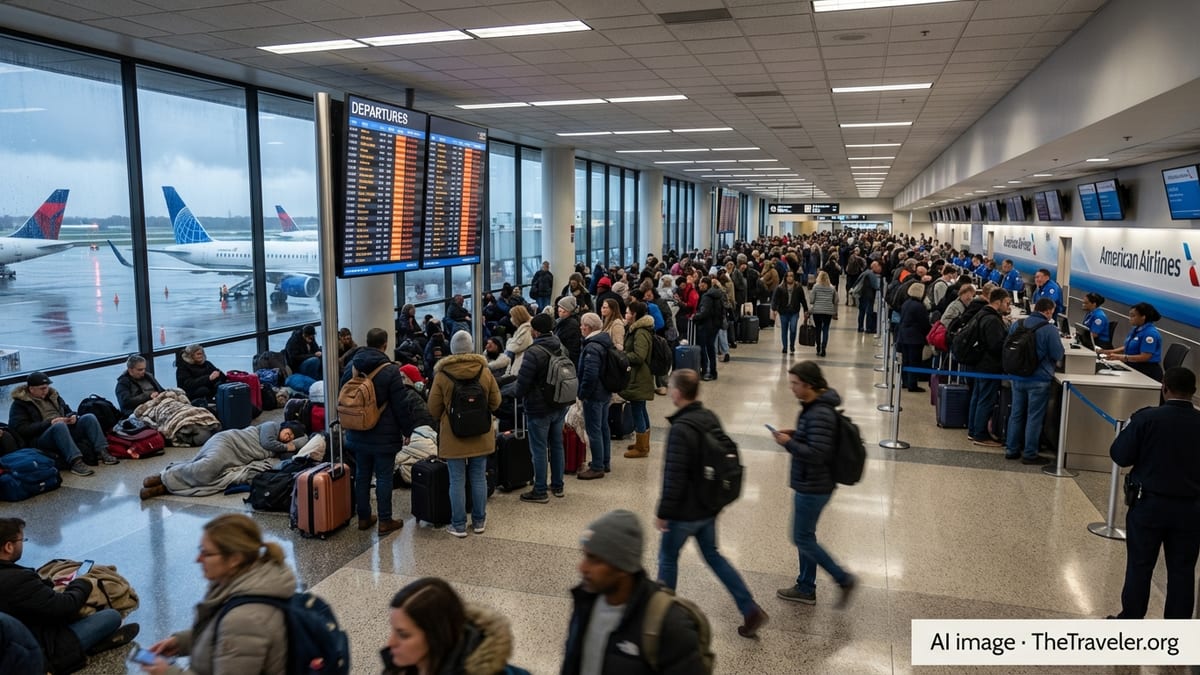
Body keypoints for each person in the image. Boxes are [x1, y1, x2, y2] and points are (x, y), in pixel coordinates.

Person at [655, 369, 768, 638]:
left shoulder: (681, 428)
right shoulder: (709, 417)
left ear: (678, 393)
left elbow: (674, 476)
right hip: (708, 506)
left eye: (672, 388)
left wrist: (663, 512)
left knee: (668, 558)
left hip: (684, 511)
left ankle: (661, 617)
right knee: (714, 556)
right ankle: (749, 607)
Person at [140, 514, 294, 674]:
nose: (197, 559)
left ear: (235, 559)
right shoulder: (246, 580)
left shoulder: (244, 619)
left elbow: (238, 633)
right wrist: (182, 642)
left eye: (206, 553)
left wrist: (167, 672)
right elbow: (226, 635)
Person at [561, 510, 707, 675]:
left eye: (595, 559)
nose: (582, 567)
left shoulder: (669, 625)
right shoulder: (586, 600)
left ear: (623, 567)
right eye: (585, 556)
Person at [1107, 367, 1200, 620]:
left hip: (1148, 504)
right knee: (1182, 571)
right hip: (1191, 509)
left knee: (1140, 565)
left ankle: (1131, 620)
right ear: (1193, 392)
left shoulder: (1147, 419)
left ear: (1164, 387)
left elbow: (1120, 455)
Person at [0, 517, 140, 674]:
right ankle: (92, 646)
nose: (23, 543)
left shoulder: (16, 577)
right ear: (8, 547)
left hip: (14, 644)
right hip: (42, 653)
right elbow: (65, 606)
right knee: (111, 617)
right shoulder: (18, 580)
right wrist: (82, 583)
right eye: (22, 540)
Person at [771, 361, 856, 606]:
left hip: (813, 485)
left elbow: (818, 453)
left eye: (795, 384)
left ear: (808, 385)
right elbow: (817, 441)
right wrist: (796, 434)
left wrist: (788, 443)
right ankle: (806, 586)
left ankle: (843, 578)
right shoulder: (815, 406)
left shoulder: (819, 412)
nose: (792, 388)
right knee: (805, 535)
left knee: (801, 537)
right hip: (812, 482)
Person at [342, 327, 435, 534]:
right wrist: (408, 430)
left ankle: (364, 517)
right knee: (383, 476)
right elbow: (400, 404)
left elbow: (344, 393)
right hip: (383, 433)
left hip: (357, 430)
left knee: (362, 474)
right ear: (385, 344)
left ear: (366, 341)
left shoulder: (352, 366)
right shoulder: (390, 370)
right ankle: (385, 520)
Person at [427, 331, 501, 538]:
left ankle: (458, 525)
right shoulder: (484, 371)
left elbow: (433, 408)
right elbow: (496, 402)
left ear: (452, 349)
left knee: (456, 480)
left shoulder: (442, 374)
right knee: (478, 477)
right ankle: (479, 521)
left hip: (453, 435)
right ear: (471, 347)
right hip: (481, 433)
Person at [382, 577, 530, 675]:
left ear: (436, 636)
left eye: (403, 634)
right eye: (393, 630)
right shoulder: (402, 667)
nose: (390, 643)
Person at [138, 420, 308, 499]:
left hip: (236, 457)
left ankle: (165, 488)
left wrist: (296, 443)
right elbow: (267, 443)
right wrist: (289, 446)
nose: (287, 438)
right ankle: (163, 476)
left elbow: (304, 442)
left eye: (291, 438)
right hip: (229, 442)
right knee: (207, 467)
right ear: (283, 427)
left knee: (214, 478)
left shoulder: (279, 444)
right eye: (288, 433)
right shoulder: (271, 426)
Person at [510, 313, 571, 503]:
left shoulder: (533, 352)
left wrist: (510, 393)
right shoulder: (561, 346)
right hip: (560, 403)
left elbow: (522, 385)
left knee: (539, 450)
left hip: (539, 408)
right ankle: (558, 485)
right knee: (557, 446)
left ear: (535, 331)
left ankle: (540, 490)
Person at [9, 371, 118, 475]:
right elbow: (22, 429)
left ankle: (102, 451)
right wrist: (50, 423)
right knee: (59, 426)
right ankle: (75, 461)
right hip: (41, 437)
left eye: (46, 387)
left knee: (89, 417)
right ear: (31, 389)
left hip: (63, 428)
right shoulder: (20, 405)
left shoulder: (53, 396)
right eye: (42, 389)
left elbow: (67, 410)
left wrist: (72, 416)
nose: (45, 391)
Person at [1005, 298, 1064, 465]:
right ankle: (1030, 453)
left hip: (1017, 376)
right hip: (1039, 378)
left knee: (1016, 414)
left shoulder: (1019, 325)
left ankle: (1011, 449)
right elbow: (1057, 354)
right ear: (1047, 311)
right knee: (1034, 417)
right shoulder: (1049, 329)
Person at [965, 289, 1012, 447]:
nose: (1008, 306)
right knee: (985, 399)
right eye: (1006, 303)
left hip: (980, 364)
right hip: (989, 366)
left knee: (977, 397)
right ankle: (980, 434)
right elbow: (995, 345)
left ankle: (973, 430)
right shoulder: (992, 320)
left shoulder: (982, 314)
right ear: (997, 302)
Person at [576, 312, 612, 480]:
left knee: (594, 429)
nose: (580, 328)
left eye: (582, 325)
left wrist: (582, 394)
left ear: (588, 327)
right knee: (604, 427)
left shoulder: (591, 347)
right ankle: (604, 461)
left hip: (594, 394)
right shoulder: (605, 341)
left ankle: (597, 466)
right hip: (605, 390)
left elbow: (590, 374)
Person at [620, 301, 656, 459]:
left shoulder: (640, 332)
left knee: (637, 410)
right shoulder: (639, 329)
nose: (626, 315)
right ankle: (643, 442)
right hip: (641, 375)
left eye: (628, 312)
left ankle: (641, 447)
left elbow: (639, 356)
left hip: (639, 376)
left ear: (634, 314)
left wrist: (623, 355)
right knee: (641, 408)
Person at [1101, 302, 1165, 381]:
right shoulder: (1136, 329)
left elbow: (1145, 357)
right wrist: (1109, 351)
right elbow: (1128, 347)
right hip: (1132, 365)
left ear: (1143, 317)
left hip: (1146, 371)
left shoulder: (1150, 334)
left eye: (1133, 316)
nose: (1130, 318)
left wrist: (1122, 357)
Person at [896, 282, 931, 392]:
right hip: (915, 338)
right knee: (914, 361)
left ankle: (905, 382)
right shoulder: (920, 307)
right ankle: (912, 384)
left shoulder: (906, 303)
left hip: (903, 336)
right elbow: (924, 323)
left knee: (906, 361)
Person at [692, 277, 724, 381]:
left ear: (706, 285)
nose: (700, 285)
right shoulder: (717, 294)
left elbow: (704, 312)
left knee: (704, 348)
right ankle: (713, 371)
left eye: (702, 283)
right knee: (711, 348)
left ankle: (706, 371)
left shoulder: (706, 296)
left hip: (706, 326)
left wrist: (695, 316)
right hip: (715, 325)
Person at [809, 271, 838, 358]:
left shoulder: (816, 287)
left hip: (817, 311)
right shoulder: (832, 288)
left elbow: (811, 300)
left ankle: (818, 348)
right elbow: (835, 300)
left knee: (818, 329)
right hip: (828, 311)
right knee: (825, 329)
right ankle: (824, 347)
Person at [504, 305, 534, 376]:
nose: (511, 319)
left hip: (522, 363)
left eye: (512, 317)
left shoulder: (526, 329)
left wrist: (509, 341)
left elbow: (514, 347)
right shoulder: (525, 327)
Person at [555, 296, 583, 366]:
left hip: (567, 360)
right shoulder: (561, 321)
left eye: (562, 309)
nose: (559, 310)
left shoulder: (571, 325)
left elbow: (572, 347)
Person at [856, 260, 881, 334]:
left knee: (861, 312)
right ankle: (868, 328)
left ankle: (860, 327)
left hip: (862, 295)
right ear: (874, 267)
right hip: (869, 296)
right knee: (869, 312)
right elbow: (876, 286)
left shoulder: (865, 272)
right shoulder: (871, 274)